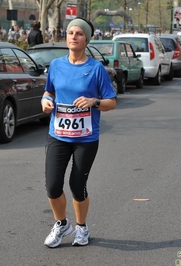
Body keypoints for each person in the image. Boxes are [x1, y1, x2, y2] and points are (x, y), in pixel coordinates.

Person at [41, 17, 117, 248]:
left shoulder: (95, 69)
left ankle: (82, 227)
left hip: (86, 138)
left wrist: (94, 102)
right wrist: (45, 101)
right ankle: (62, 224)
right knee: (53, 186)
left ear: (86, 39)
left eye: (79, 33)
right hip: (58, 134)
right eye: (70, 32)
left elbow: (111, 102)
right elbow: (49, 92)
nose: (73, 36)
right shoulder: (56, 65)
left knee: (76, 185)